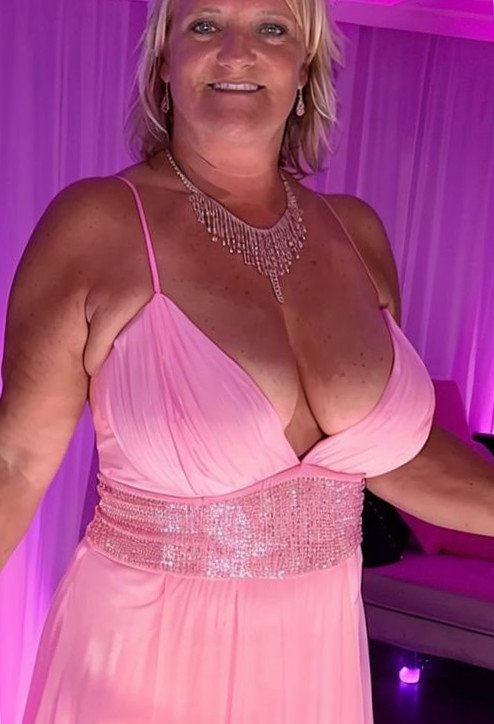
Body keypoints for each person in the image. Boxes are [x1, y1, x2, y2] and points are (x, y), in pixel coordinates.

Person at [1, 0, 493, 721]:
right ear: (164, 61)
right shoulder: (97, 224)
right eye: (205, 24)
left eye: (272, 27)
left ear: (306, 66)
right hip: (139, 666)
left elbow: (387, 460)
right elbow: (14, 463)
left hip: (314, 666)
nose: (237, 52)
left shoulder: (358, 234)